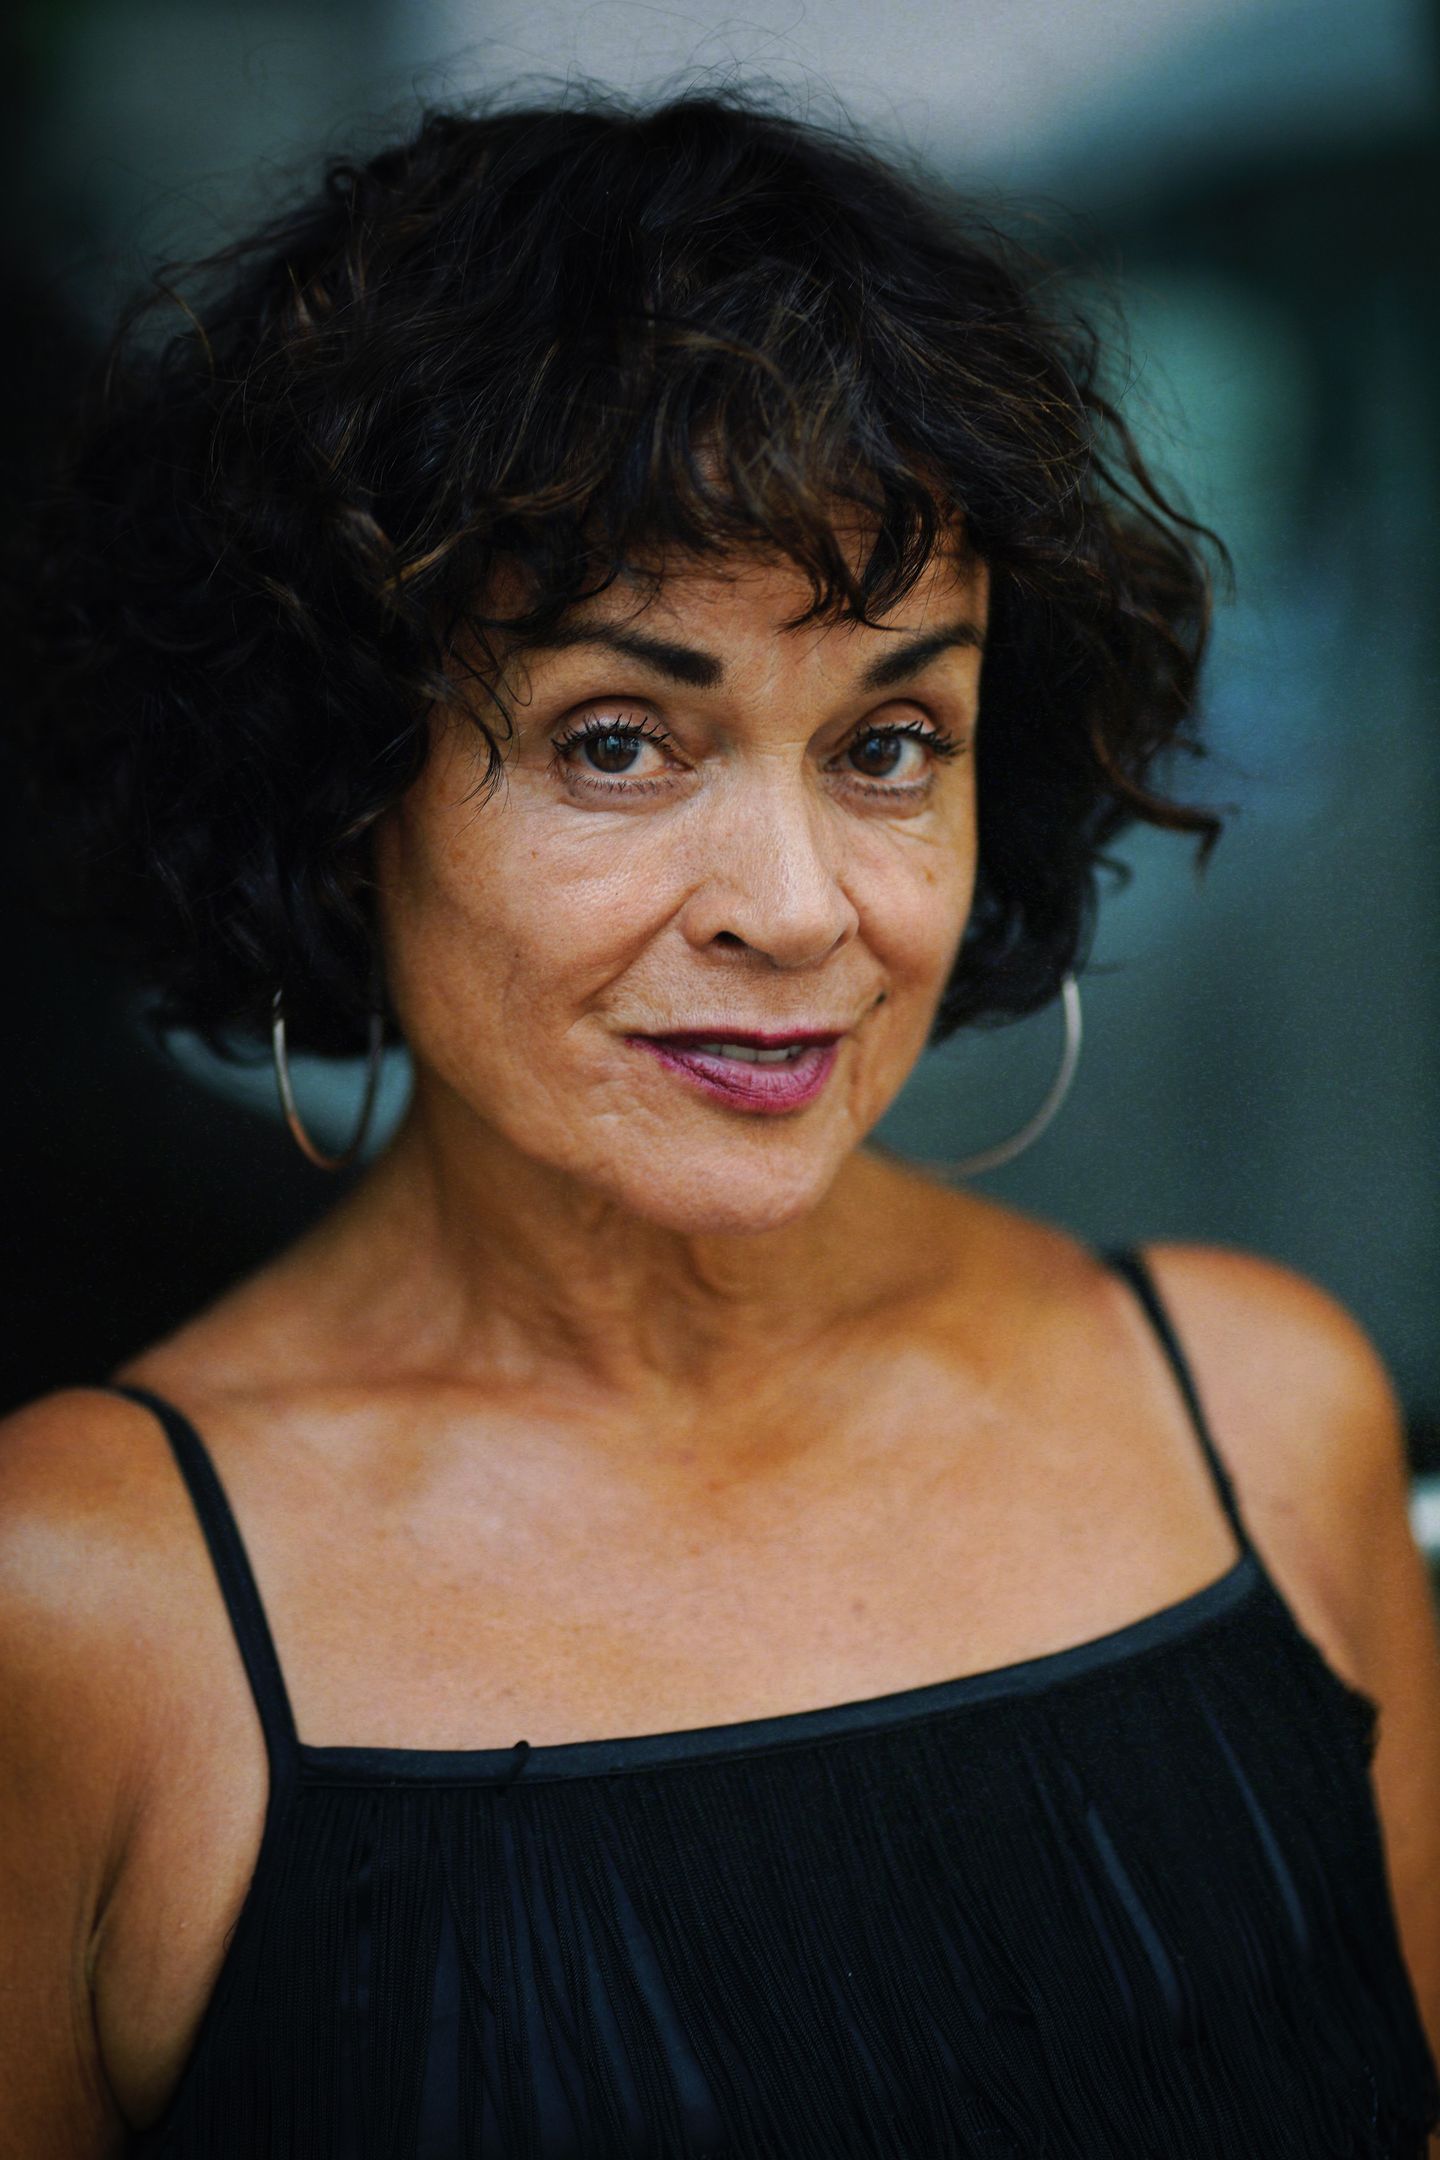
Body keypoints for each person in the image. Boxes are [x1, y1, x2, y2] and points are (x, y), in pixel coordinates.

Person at [3, 87, 1438, 2160]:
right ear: (340, 777)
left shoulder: (1263, 1413)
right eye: (619, 740)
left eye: (890, 740)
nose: (797, 906)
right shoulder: (81, 1604)